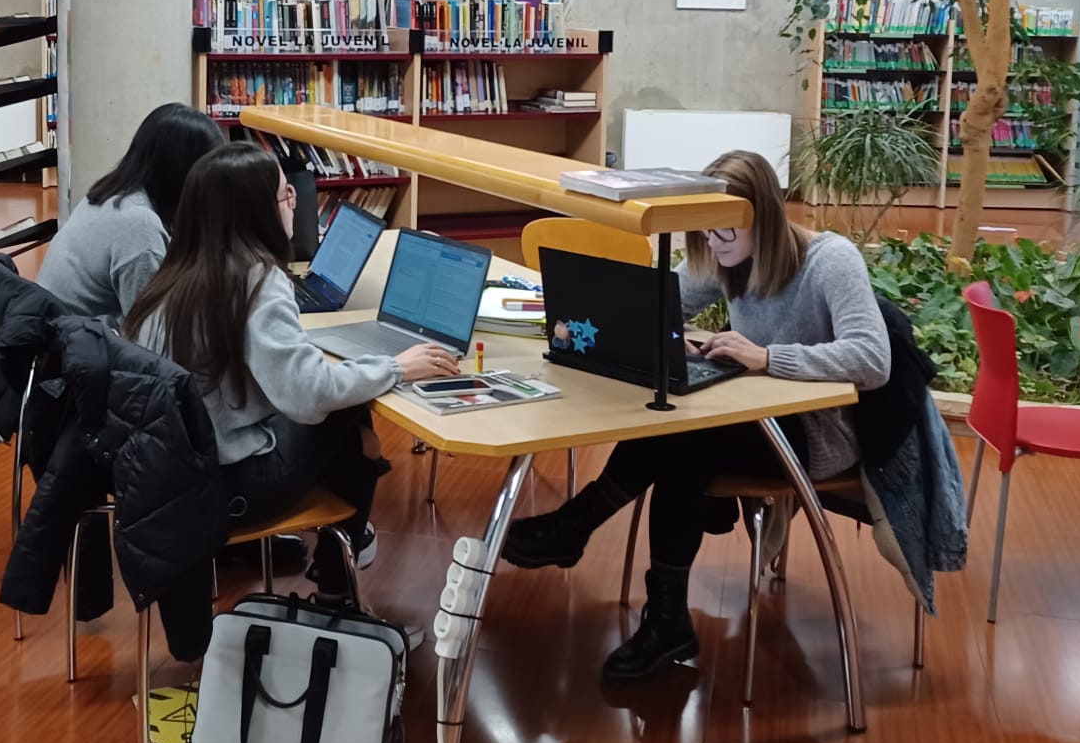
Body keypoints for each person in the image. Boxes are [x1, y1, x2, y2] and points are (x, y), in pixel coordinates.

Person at [501, 149, 891, 682]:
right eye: (704, 232)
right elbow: (663, 304)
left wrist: (767, 357)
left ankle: (588, 533)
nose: (712, 243)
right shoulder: (724, 251)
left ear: (763, 217)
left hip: (815, 433)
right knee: (680, 436)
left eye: (724, 232)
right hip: (752, 417)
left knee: (685, 440)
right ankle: (658, 610)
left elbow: (873, 360)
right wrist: (663, 336)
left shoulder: (831, 259)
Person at [126, 143, 460, 600]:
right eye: (286, 195)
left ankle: (341, 562)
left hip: (166, 479)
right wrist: (396, 367)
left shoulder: (174, 276)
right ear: (254, 210)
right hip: (227, 489)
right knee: (350, 417)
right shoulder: (256, 279)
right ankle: (339, 582)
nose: (295, 204)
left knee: (350, 424)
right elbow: (307, 395)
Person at [38, 103, 224, 318]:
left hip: (57, 330)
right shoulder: (139, 225)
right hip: (74, 345)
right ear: (183, 173)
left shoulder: (112, 193)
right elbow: (152, 332)